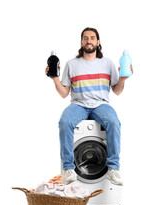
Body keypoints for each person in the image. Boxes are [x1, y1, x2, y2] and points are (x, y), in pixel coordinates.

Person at [45, 27, 133, 186]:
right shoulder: (72, 64)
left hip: (101, 104)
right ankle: (68, 169)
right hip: (78, 105)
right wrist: (55, 79)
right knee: (64, 122)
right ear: (81, 42)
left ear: (98, 42)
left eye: (92, 38)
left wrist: (123, 79)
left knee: (114, 122)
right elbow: (64, 93)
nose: (89, 41)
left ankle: (113, 169)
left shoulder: (108, 63)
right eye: (85, 38)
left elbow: (117, 91)